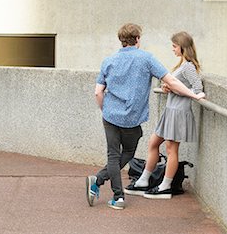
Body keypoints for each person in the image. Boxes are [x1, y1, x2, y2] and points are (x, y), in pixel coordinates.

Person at [86, 24, 205, 210]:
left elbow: (98, 92)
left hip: (110, 116)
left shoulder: (108, 61)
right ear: (138, 39)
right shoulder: (147, 59)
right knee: (127, 153)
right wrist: (194, 95)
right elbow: (171, 80)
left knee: (113, 155)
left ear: (121, 40)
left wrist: (105, 111)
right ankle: (117, 196)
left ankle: (101, 182)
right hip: (132, 119)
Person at [124, 31, 204, 199]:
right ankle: (144, 180)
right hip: (170, 110)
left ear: (183, 47)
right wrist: (168, 88)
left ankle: (165, 186)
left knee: (171, 149)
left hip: (178, 112)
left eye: (175, 46)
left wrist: (174, 89)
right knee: (153, 143)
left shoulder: (188, 66)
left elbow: (198, 90)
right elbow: (179, 86)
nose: (173, 49)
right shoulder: (181, 66)